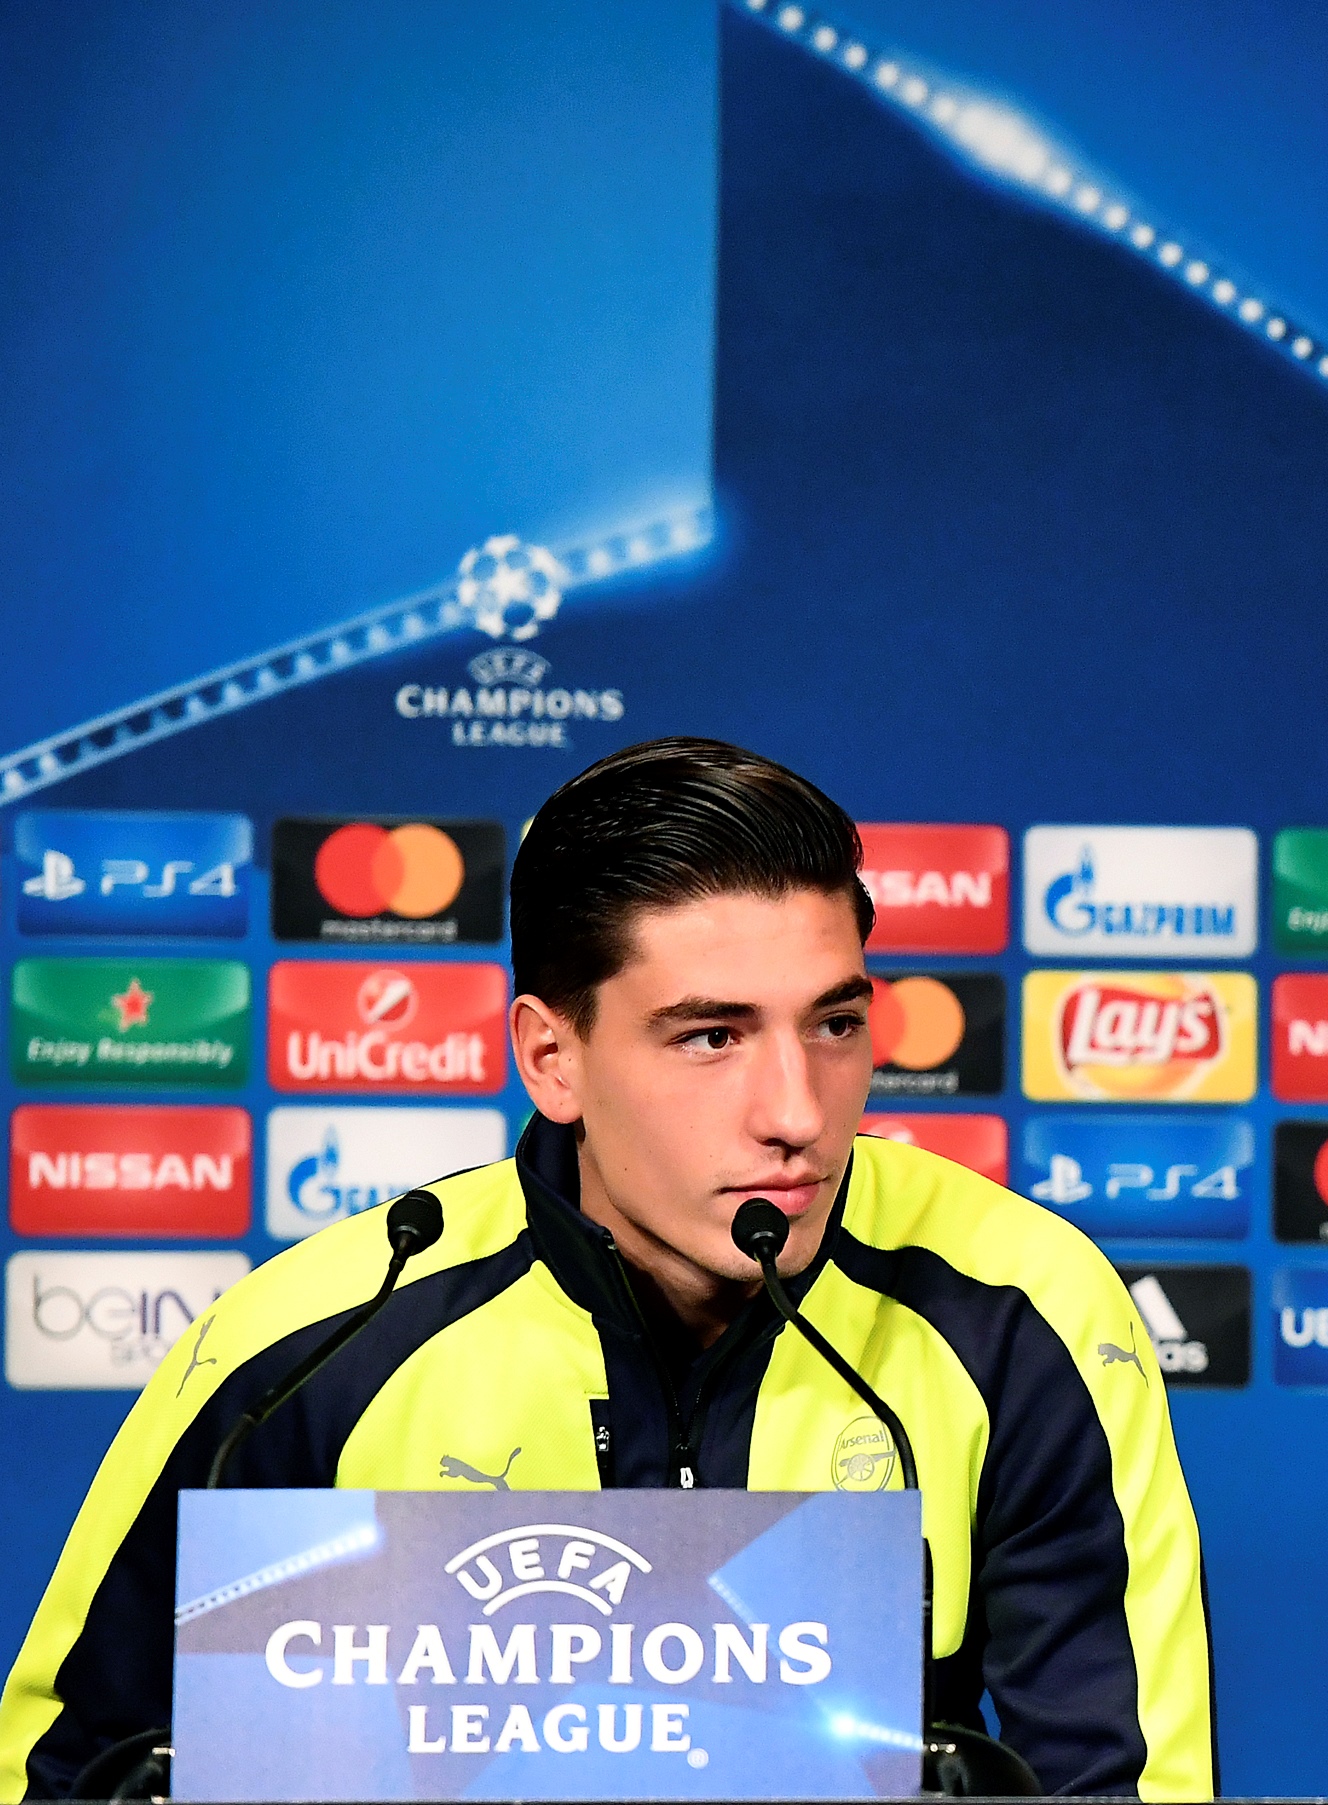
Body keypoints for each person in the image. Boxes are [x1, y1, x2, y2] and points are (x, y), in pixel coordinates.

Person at [0, 738, 1214, 1800]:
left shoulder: (1018, 1311)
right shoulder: (314, 1344)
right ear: (551, 1056)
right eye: (711, 1036)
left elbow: (1118, 1792)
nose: (796, 1111)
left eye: (836, 1023)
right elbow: (62, 1770)